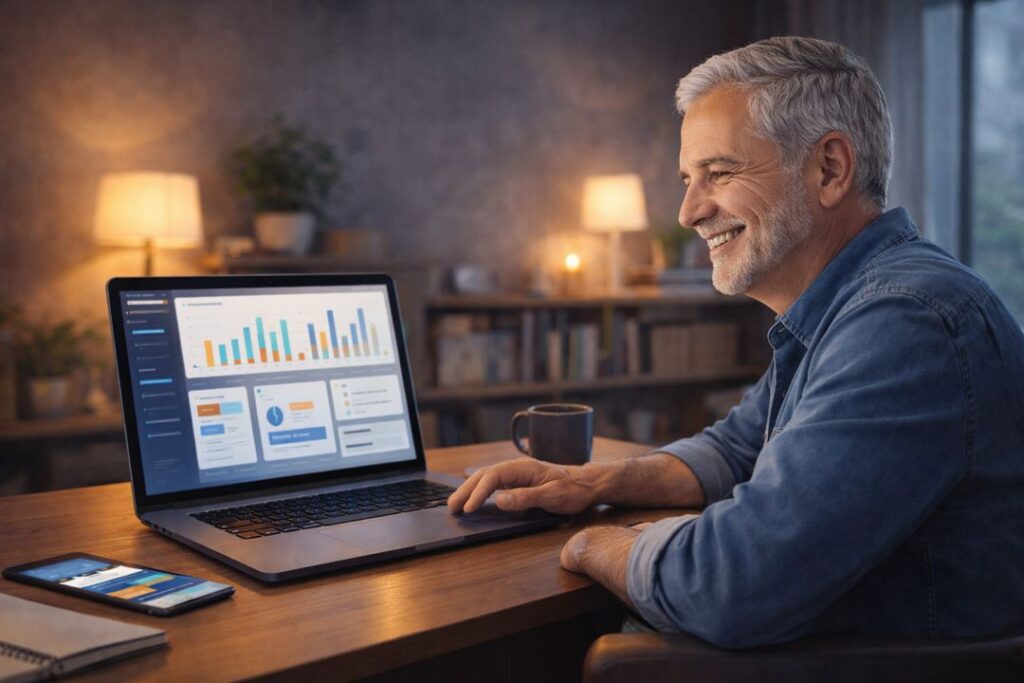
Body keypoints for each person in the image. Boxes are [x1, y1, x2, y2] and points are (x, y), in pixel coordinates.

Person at [448, 36, 1024, 648]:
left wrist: (597, 543)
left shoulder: (905, 322)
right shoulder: (844, 308)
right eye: (687, 179)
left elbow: (732, 585)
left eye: (718, 173)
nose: (689, 211)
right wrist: (593, 483)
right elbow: (737, 446)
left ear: (830, 168)